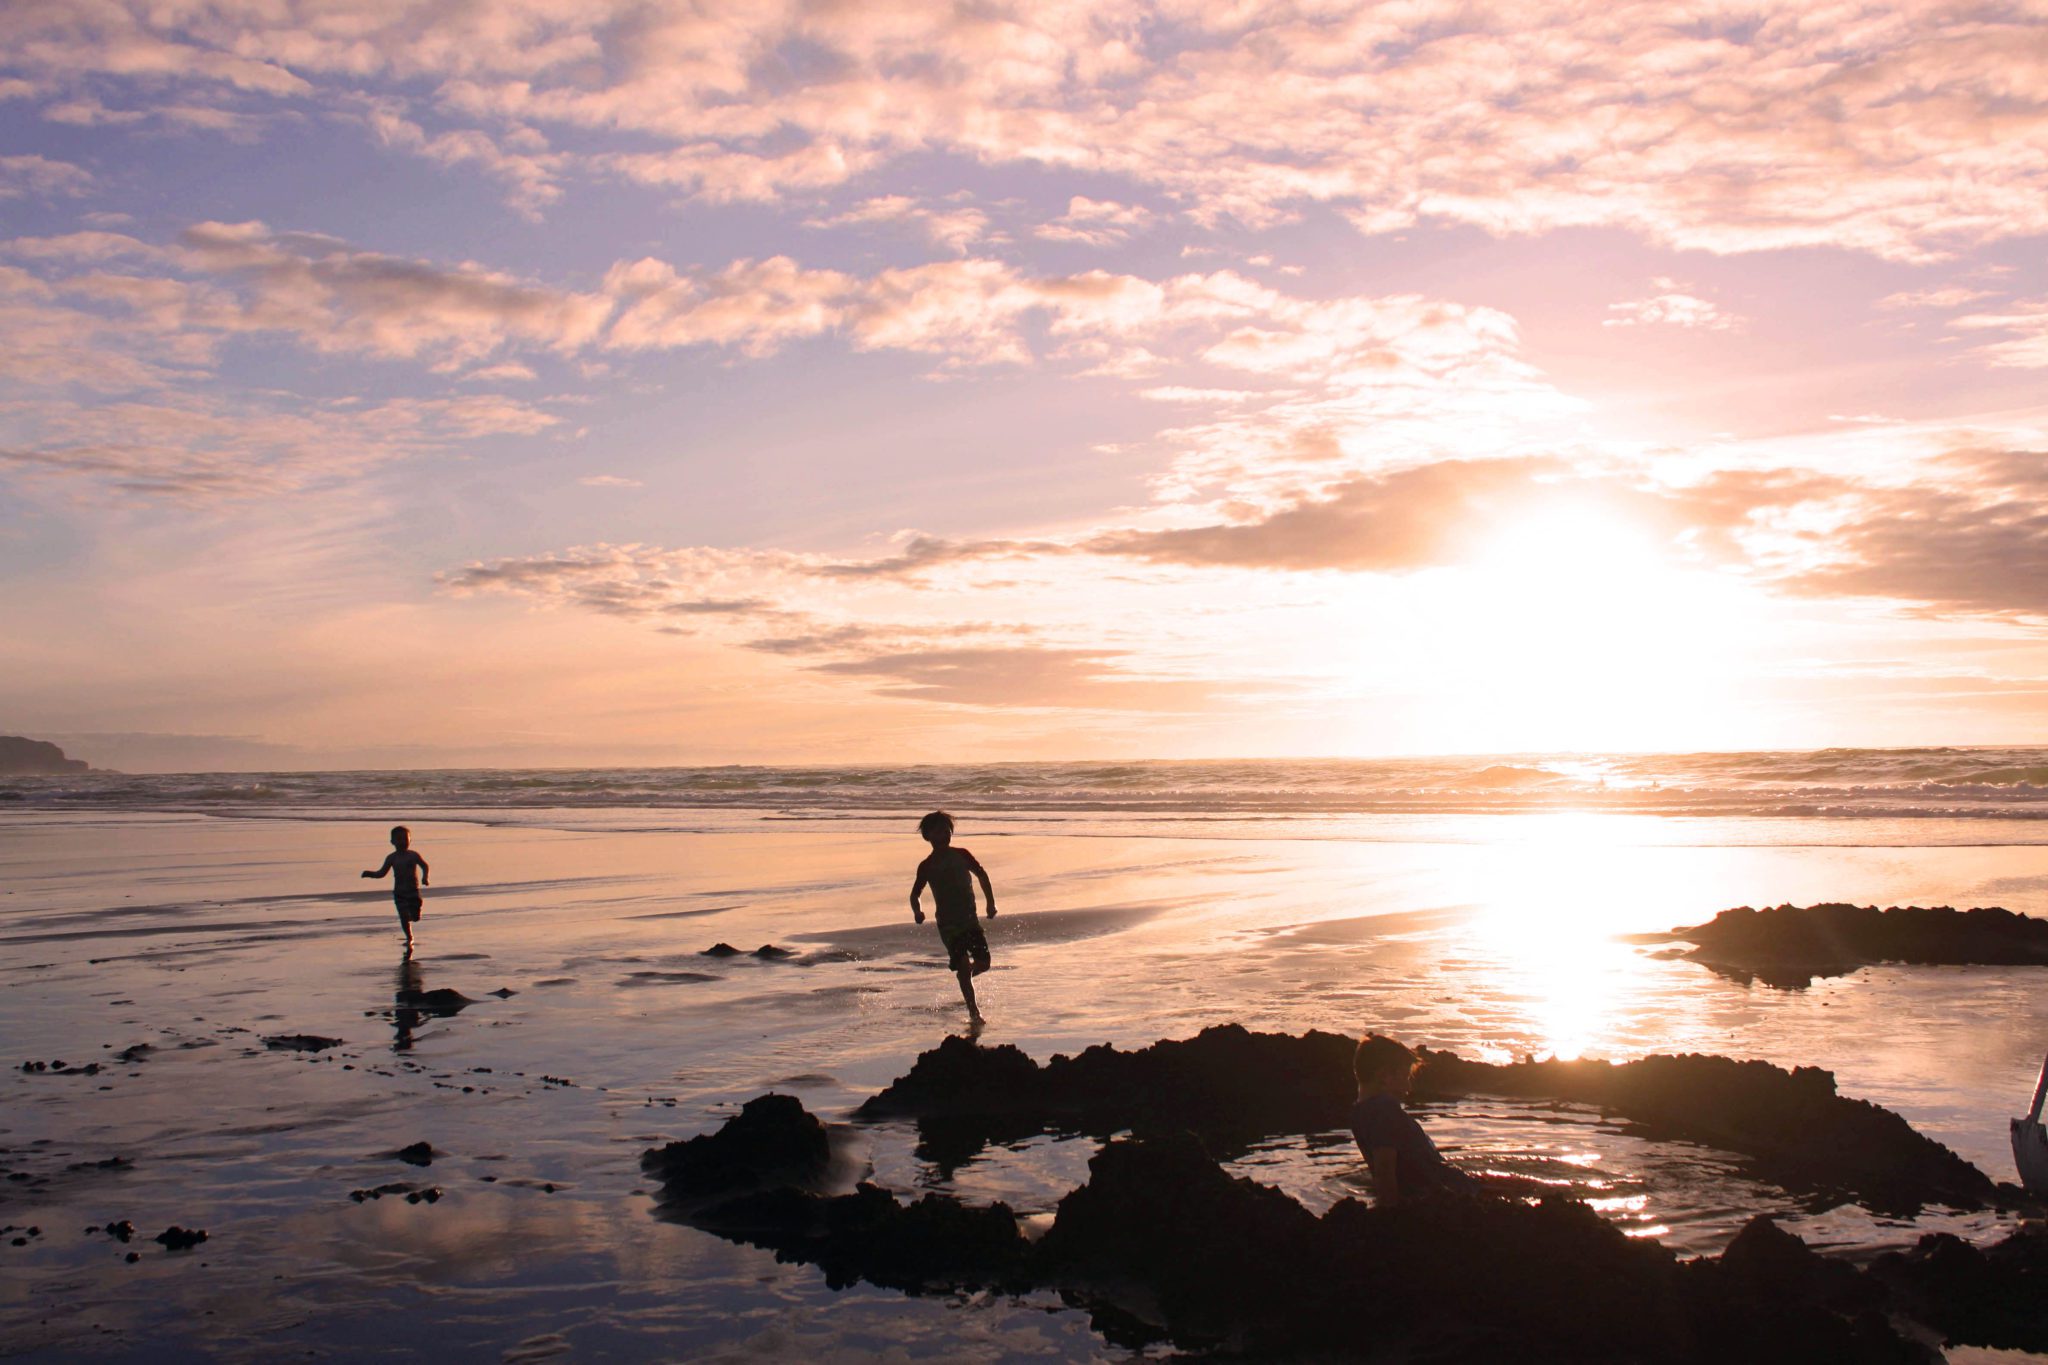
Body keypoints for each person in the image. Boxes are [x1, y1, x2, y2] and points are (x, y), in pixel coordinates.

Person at [1350, 1033, 1480, 1206]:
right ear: (1385, 1076)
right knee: (1520, 1188)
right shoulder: (1383, 1109)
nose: (1408, 1087)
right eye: (1405, 1077)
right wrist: (1390, 1213)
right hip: (1445, 1189)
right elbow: (1384, 1169)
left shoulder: (1360, 1111)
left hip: (1439, 1185)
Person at [909, 810, 997, 1024]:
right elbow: (915, 894)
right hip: (948, 925)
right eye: (939, 831)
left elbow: (982, 875)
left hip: (970, 920)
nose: (945, 834)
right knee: (964, 965)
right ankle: (974, 1012)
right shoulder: (926, 866)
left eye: (948, 830)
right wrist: (917, 911)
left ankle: (963, 977)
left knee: (984, 963)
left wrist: (990, 903)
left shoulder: (962, 855)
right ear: (928, 836)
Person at [362, 825, 429, 950]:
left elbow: (424, 865)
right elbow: (381, 873)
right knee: (403, 916)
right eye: (399, 839)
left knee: (415, 917)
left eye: (405, 839)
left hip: (413, 891)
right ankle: (409, 937)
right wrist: (370, 874)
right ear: (392, 842)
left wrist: (425, 877)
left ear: (410, 840)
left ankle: (412, 916)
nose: (403, 842)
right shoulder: (392, 858)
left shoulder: (413, 855)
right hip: (399, 893)